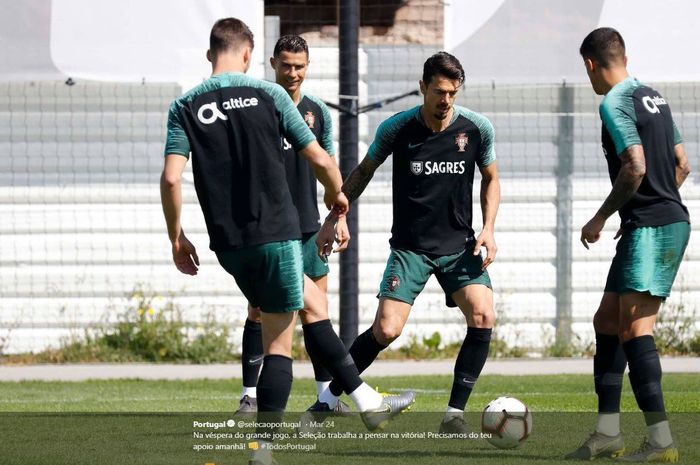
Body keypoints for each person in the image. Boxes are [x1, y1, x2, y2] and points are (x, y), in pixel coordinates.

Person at [160, 17, 414, 465]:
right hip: (276, 233)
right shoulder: (269, 95)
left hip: (229, 245)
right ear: (249, 55)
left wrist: (177, 237)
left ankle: (363, 399)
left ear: (210, 54)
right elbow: (318, 156)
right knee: (281, 342)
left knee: (313, 308)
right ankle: (266, 449)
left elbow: (170, 178)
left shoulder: (184, 105)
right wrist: (339, 200)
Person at [313, 51, 500, 434]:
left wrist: (489, 228)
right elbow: (363, 171)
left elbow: (491, 179)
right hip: (410, 249)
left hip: (459, 246)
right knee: (386, 330)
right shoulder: (397, 128)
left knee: (483, 315)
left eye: (452, 92)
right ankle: (328, 400)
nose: (445, 100)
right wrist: (335, 217)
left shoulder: (477, 129)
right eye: (438, 91)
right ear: (422, 88)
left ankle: (454, 416)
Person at [567, 27, 690, 462]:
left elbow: (634, 166)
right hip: (651, 222)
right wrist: (643, 208)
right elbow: (682, 164)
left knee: (636, 331)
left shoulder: (613, 101)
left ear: (590, 64)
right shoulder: (655, 96)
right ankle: (608, 434)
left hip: (654, 228)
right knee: (606, 321)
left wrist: (602, 216)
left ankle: (661, 442)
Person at [235, 34, 350, 416]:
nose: (293, 73)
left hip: (308, 228)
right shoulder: (258, 108)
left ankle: (324, 397)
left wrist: (337, 218)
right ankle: (249, 396)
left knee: (317, 311)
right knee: (257, 311)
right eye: (286, 65)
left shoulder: (318, 113)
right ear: (272, 64)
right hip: (268, 232)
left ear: (308, 66)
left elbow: (329, 169)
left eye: (299, 66)